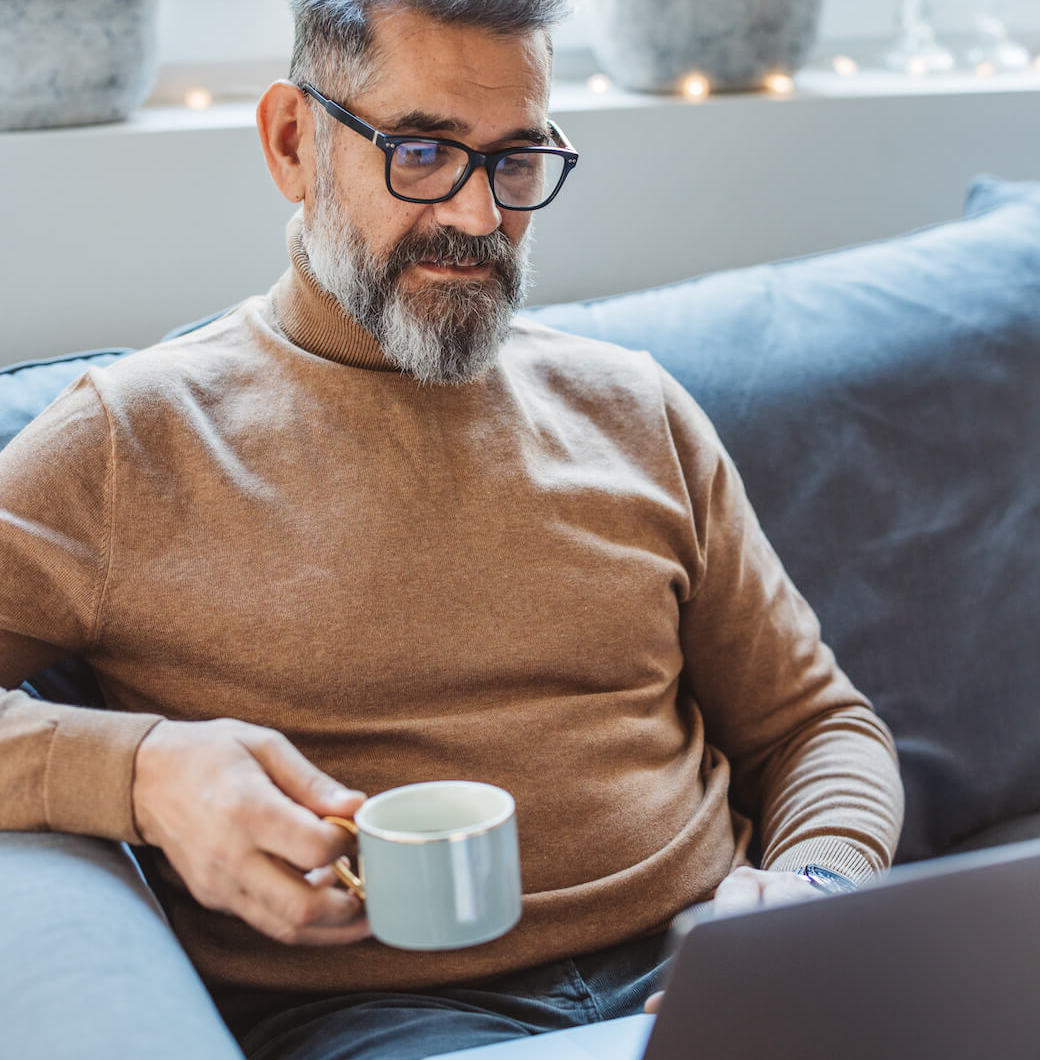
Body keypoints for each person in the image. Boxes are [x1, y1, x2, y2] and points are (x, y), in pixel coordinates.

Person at [0, 1, 904, 1057]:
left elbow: (816, 727)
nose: (477, 217)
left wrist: (816, 888)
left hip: (705, 981)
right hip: (385, 1021)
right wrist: (142, 772)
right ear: (294, 142)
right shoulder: (129, 444)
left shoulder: (635, 410)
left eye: (516, 160)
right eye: (421, 152)